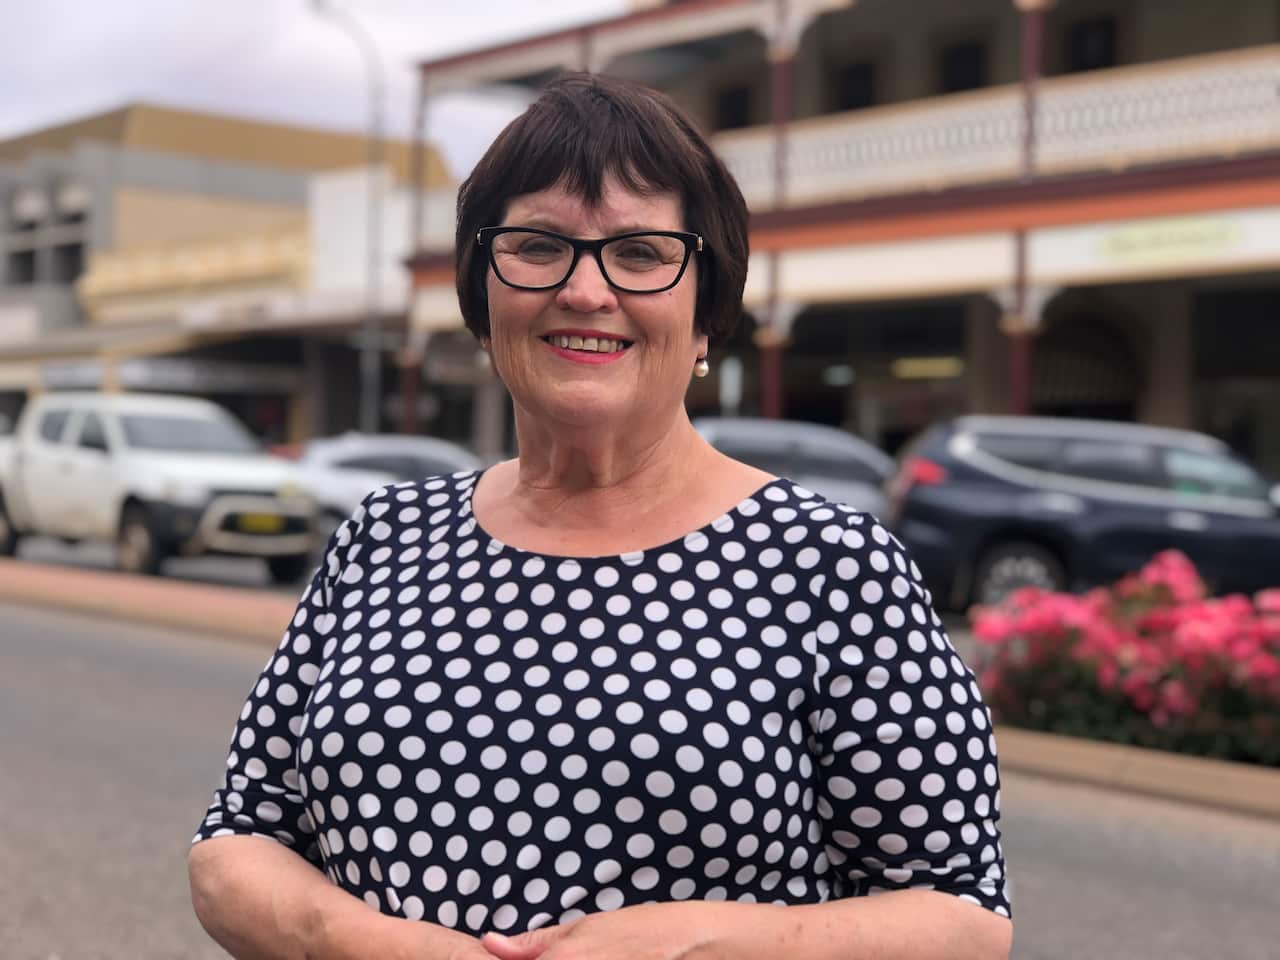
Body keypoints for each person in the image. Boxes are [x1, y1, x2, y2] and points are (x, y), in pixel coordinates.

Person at [188, 72, 1012, 960]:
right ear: (483, 292)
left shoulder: (829, 565)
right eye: (539, 245)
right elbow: (238, 839)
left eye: (641, 253)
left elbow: (960, 914)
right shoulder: (384, 537)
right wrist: (350, 939)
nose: (585, 291)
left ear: (706, 312)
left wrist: (697, 946)